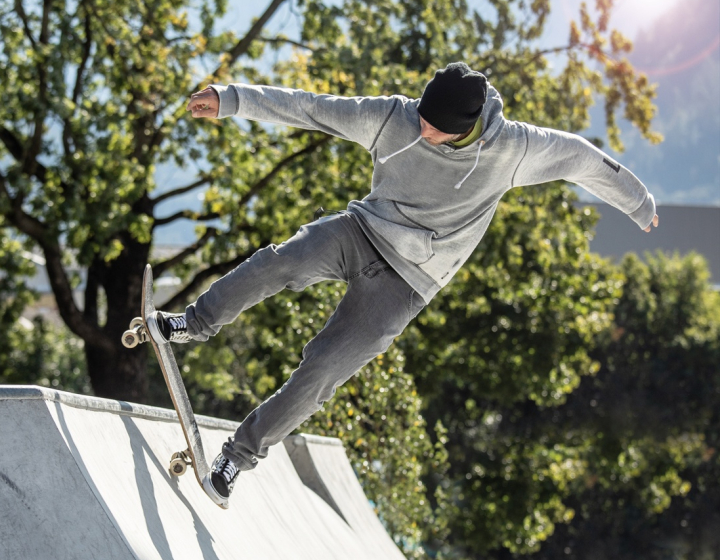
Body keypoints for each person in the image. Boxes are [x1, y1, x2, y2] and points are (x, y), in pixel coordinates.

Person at [146, 62, 659, 508]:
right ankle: (193, 323)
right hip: (359, 231)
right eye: (422, 117)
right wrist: (233, 100)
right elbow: (310, 107)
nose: (422, 130)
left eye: (435, 129)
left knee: (322, 371)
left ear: (467, 127)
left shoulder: (514, 149)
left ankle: (237, 457)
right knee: (279, 262)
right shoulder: (393, 116)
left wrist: (637, 203)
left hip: (408, 283)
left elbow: (581, 158)